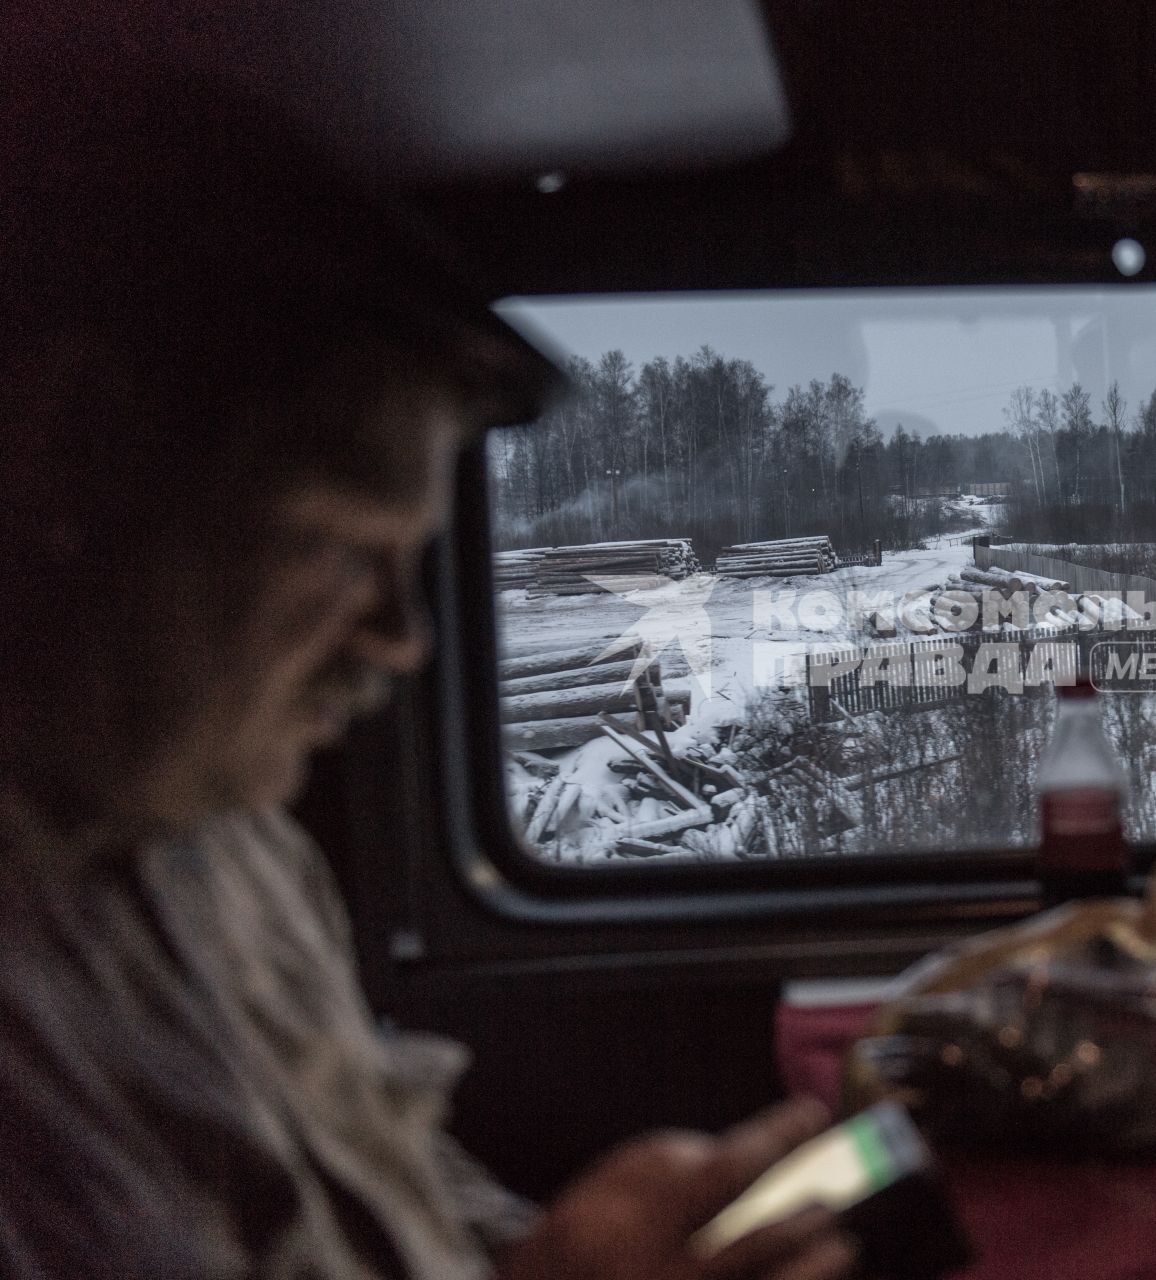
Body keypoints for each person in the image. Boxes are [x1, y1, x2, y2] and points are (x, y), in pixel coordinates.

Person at [0, 53, 858, 1280]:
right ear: (73, 459)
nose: (402, 641)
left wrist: (557, 1253)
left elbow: (381, 1185)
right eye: (348, 552)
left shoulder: (230, 849)